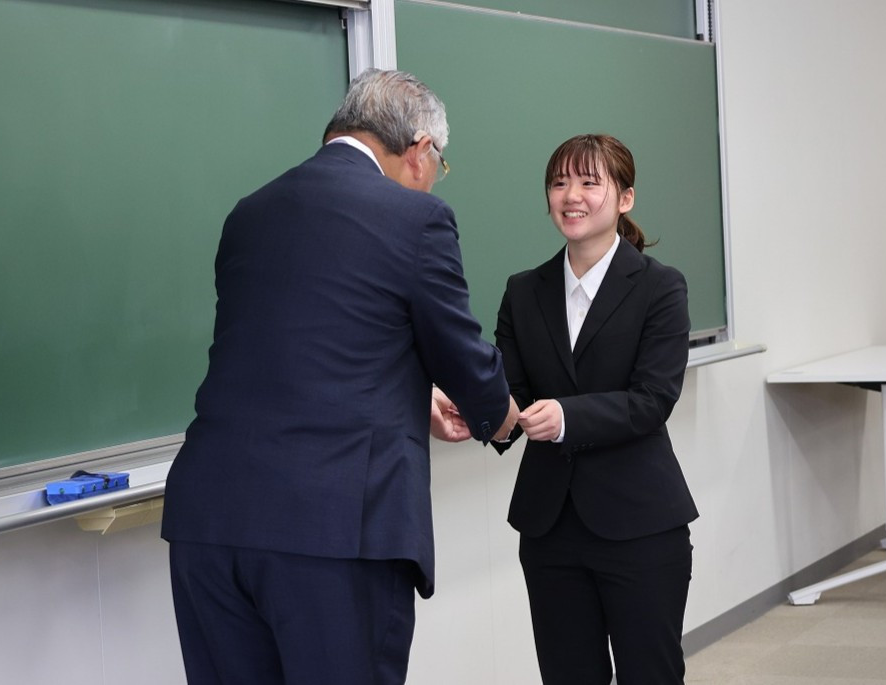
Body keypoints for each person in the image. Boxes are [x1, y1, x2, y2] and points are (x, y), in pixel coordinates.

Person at [161, 68, 518, 685]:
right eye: (439, 165)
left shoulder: (250, 213)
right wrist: (500, 416)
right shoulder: (417, 218)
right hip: (335, 527)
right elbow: (459, 351)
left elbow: (301, 347)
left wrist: (414, 397)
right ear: (420, 150)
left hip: (211, 520)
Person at [491, 134, 698, 684]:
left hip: (640, 524)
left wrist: (566, 418)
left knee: (649, 673)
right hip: (549, 527)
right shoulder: (523, 291)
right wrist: (481, 413)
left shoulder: (660, 287)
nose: (571, 196)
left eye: (589, 182)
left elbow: (653, 400)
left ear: (625, 198)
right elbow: (511, 395)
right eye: (559, 183)